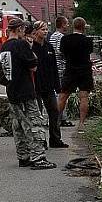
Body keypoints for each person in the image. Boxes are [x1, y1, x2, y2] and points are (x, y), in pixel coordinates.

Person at [0, 17, 56, 170]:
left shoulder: (4, 47)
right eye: (24, 30)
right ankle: (38, 157)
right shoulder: (21, 45)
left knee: (18, 125)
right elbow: (33, 66)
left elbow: (1, 73)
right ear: (18, 30)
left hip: (12, 91)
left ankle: (23, 156)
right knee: (34, 122)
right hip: (25, 90)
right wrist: (32, 54)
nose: (25, 33)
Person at [31, 20, 68, 149]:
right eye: (43, 30)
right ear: (36, 31)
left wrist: (57, 86)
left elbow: (54, 68)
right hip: (36, 86)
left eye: (46, 30)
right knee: (38, 114)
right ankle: (40, 141)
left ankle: (55, 139)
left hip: (49, 86)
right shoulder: (31, 48)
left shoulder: (49, 47)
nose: (45, 32)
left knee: (54, 112)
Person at [57, 17, 94, 132]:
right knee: (84, 97)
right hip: (84, 71)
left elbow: (61, 53)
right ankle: (82, 123)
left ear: (73, 26)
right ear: (83, 27)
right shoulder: (88, 41)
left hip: (70, 70)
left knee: (63, 96)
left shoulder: (65, 39)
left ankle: (56, 120)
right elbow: (89, 52)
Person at [49, 16, 74, 127]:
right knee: (62, 94)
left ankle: (61, 117)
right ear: (62, 24)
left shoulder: (52, 36)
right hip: (61, 68)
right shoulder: (61, 37)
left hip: (54, 67)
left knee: (59, 94)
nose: (68, 26)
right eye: (67, 24)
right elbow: (60, 51)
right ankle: (59, 118)